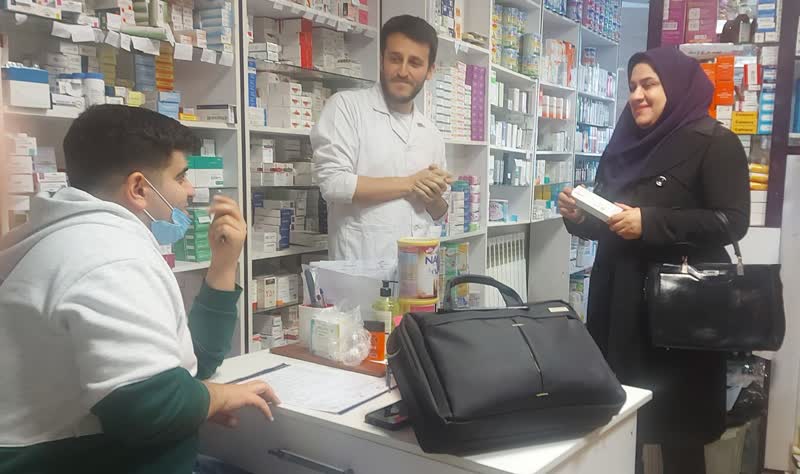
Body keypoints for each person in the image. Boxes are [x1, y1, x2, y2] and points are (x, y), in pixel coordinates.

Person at [0, 105, 279, 473]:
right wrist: (215, 397)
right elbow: (149, 406)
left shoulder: (73, 235)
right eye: (181, 176)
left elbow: (186, 366)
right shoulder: (109, 257)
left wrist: (224, 264)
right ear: (138, 188)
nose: (190, 190)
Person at [558, 47, 749, 473]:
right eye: (632, 86)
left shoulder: (714, 142)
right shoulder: (625, 143)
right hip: (619, 305)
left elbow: (732, 221)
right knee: (622, 425)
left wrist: (651, 222)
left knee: (680, 431)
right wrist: (579, 217)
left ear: (676, 86)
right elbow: (609, 220)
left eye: (649, 84)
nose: (637, 96)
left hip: (680, 307)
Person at [312, 15, 453, 261]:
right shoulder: (346, 107)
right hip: (359, 271)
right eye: (395, 59)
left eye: (415, 63)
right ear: (382, 60)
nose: (403, 71)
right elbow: (333, 184)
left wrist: (433, 197)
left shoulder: (431, 133)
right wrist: (410, 183)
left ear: (430, 71)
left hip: (418, 271)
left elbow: (440, 212)